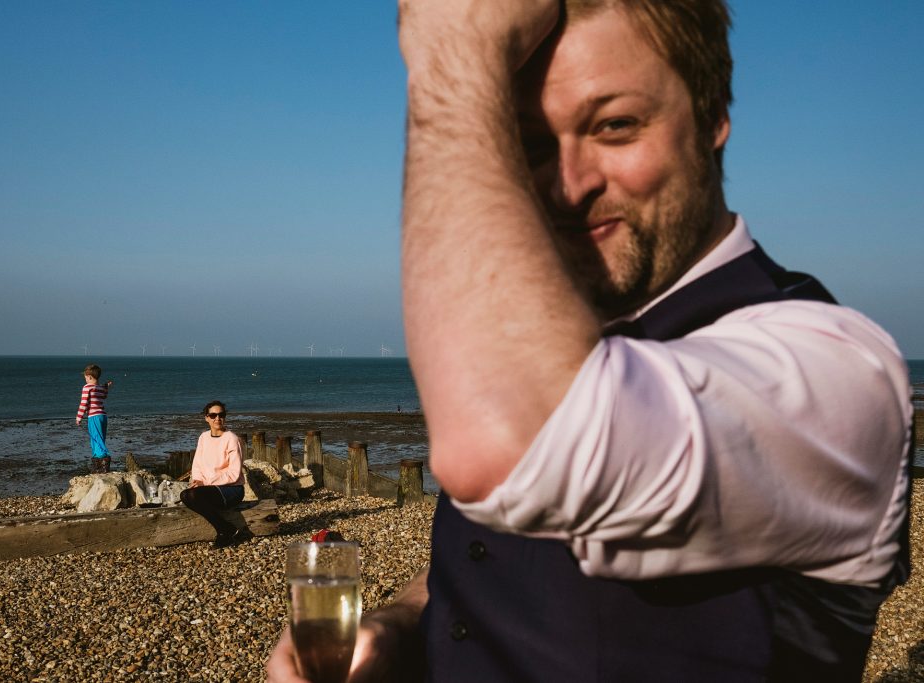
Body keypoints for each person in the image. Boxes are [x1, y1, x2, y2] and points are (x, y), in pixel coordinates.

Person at [267, 1, 913, 681]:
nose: (568, 185)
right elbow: (489, 568)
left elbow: (505, 442)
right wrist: (399, 627)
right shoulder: (535, 338)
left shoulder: (838, 368)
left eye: (615, 125)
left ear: (714, 114)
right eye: (533, 145)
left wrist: (450, 54)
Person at [181, 401, 249, 549]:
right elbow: (197, 463)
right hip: (211, 487)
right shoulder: (204, 437)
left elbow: (234, 474)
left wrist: (205, 482)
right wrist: (197, 479)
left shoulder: (232, 439)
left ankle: (224, 531)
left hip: (232, 489)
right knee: (185, 495)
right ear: (206, 418)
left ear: (225, 417)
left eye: (221, 415)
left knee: (192, 496)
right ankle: (226, 528)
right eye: (213, 415)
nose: (217, 418)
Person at [75, 363, 114, 474]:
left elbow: (83, 403)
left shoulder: (87, 387)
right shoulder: (100, 388)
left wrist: (79, 417)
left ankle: (102, 466)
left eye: (86, 377)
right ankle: (98, 465)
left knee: (96, 440)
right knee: (99, 439)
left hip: (94, 416)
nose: (85, 380)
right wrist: (106, 386)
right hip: (103, 416)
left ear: (90, 377)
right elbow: (104, 395)